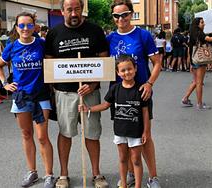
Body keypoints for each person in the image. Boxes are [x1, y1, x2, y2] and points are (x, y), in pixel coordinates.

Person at [45, 0, 109, 187]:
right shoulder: (53, 34)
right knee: (65, 133)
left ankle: (96, 174)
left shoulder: (95, 31)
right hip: (64, 93)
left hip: (90, 92)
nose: (74, 13)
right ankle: (63, 175)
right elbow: (49, 65)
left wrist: (92, 83)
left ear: (82, 10)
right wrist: (54, 90)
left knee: (92, 133)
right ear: (62, 11)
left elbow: (104, 62)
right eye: (69, 9)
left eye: (77, 9)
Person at [0, 12, 55, 188]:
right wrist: (5, 83)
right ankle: (32, 172)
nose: (25, 29)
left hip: (40, 95)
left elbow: (53, 63)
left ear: (34, 26)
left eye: (29, 25)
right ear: (16, 28)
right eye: (22, 25)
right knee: (26, 135)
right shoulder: (12, 47)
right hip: (21, 97)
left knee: (42, 136)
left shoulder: (42, 44)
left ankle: (49, 175)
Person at [106, 1, 161, 188]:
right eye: (116, 16)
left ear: (131, 14)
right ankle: (130, 174)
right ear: (113, 17)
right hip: (119, 95)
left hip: (141, 93)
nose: (121, 19)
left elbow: (157, 63)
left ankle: (153, 177)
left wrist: (149, 83)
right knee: (125, 136)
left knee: (144, 137)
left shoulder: (143, 35)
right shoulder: (109, 38)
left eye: (125, 14)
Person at [79, 55, 150, 188]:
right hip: (120, 131)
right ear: (117, 73)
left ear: (135, 69)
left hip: (136, 132)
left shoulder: (141, 90)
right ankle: (123, 184)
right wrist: (88, 108)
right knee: (123, 159)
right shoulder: (115, 89)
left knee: (136, 160)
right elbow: (105, 105)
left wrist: (146, 131)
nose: (126, 72)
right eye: (122, 70)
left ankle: (137, 185)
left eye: (129, 69)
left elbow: (145, 112)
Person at [181, 17, 212, 110]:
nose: (204, 24)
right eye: (202, 22)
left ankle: (185, 98)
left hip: (195, 59)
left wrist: (190, 63)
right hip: (200, 60)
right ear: (197, 24)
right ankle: (199, 104)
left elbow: (190, 48)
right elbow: (208, 39)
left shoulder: (192, 33)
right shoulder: (199, 33)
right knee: (199, 83)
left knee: (195, 81)